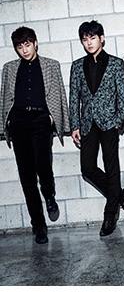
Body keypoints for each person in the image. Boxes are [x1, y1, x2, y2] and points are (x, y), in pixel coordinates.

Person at [69, 20, 124, 237]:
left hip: (109, 123)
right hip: (87, 123)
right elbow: (74, 98)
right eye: (85, 39)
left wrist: (119, 120)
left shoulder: (116, 64)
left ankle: (110, 215)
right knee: (87, 168)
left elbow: (122, 95)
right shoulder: (77, 66)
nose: (89, 43)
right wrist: (74, 125)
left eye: (93, 38)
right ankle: (123, 197)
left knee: (111, 167)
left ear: (102, 38)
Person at [0, 26, 69, 244]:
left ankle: (49, 195)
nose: (25, 50)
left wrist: (54, 119)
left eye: (28, 44)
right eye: (20, 46)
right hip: (19, 122)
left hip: (41, 121)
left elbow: (59, 94)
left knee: (43, 164)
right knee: (27, 176)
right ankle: (38, 226)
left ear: (35, 43)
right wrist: (7, 121)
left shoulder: (51, 65)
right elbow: (4, 98)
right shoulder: (9, 68)